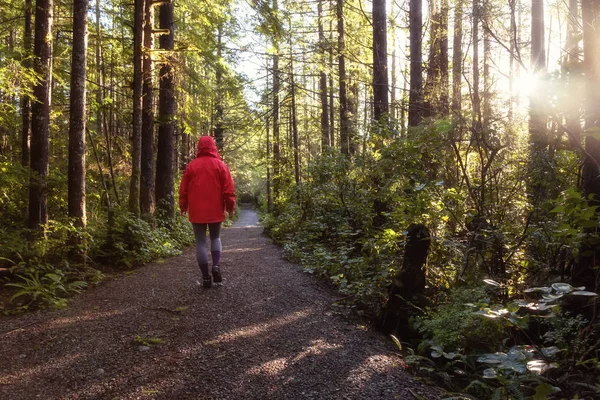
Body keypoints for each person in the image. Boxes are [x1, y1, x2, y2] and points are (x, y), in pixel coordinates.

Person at [179, 136, 236, 288]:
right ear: (213, 147)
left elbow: (183, 190)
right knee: (215, 237)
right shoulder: (220, 165)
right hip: (215, 209)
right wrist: (230, 207)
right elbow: (228, 190)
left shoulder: (192, 166)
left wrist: (183, 207)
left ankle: (205, 277)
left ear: (199, 147)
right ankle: (216, 265)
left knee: (200, 243)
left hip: (197, 211)